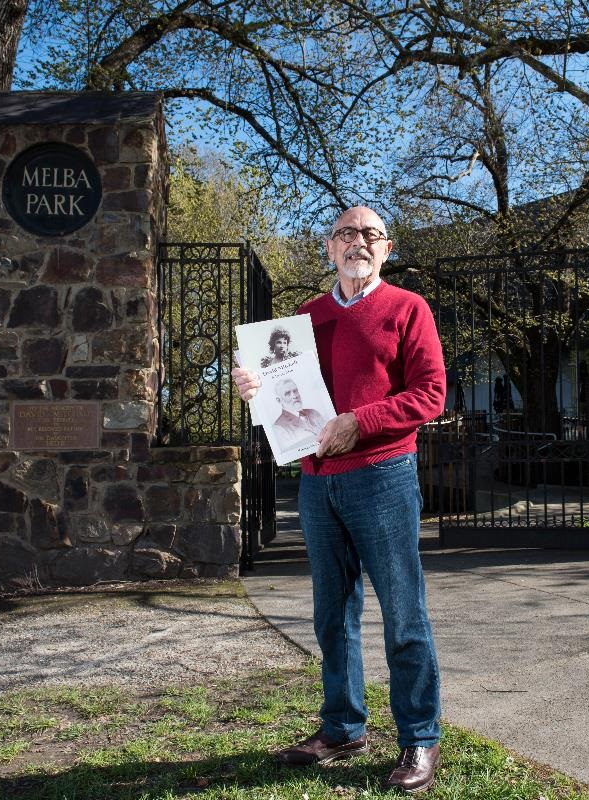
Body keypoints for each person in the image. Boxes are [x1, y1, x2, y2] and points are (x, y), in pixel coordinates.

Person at [232, 206, 446, 794]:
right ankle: (343, 726)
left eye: (371, 235)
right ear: (329, 248)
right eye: (347, 234)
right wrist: (253, 389)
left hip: (382, 475)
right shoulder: (305, 318)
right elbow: (287, 401)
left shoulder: (408, 309)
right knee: (332, 614)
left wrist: (362, 420)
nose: (359, 243)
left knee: (403, 614)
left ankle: (420, 737)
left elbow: (431, 394)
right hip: (317, 480)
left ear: (387, 248)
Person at [271, 376, 329, 447]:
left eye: (295, 391)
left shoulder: (314, 413)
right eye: (287, 393)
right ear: (279, 400)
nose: (294, 396)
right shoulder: (279, 427)